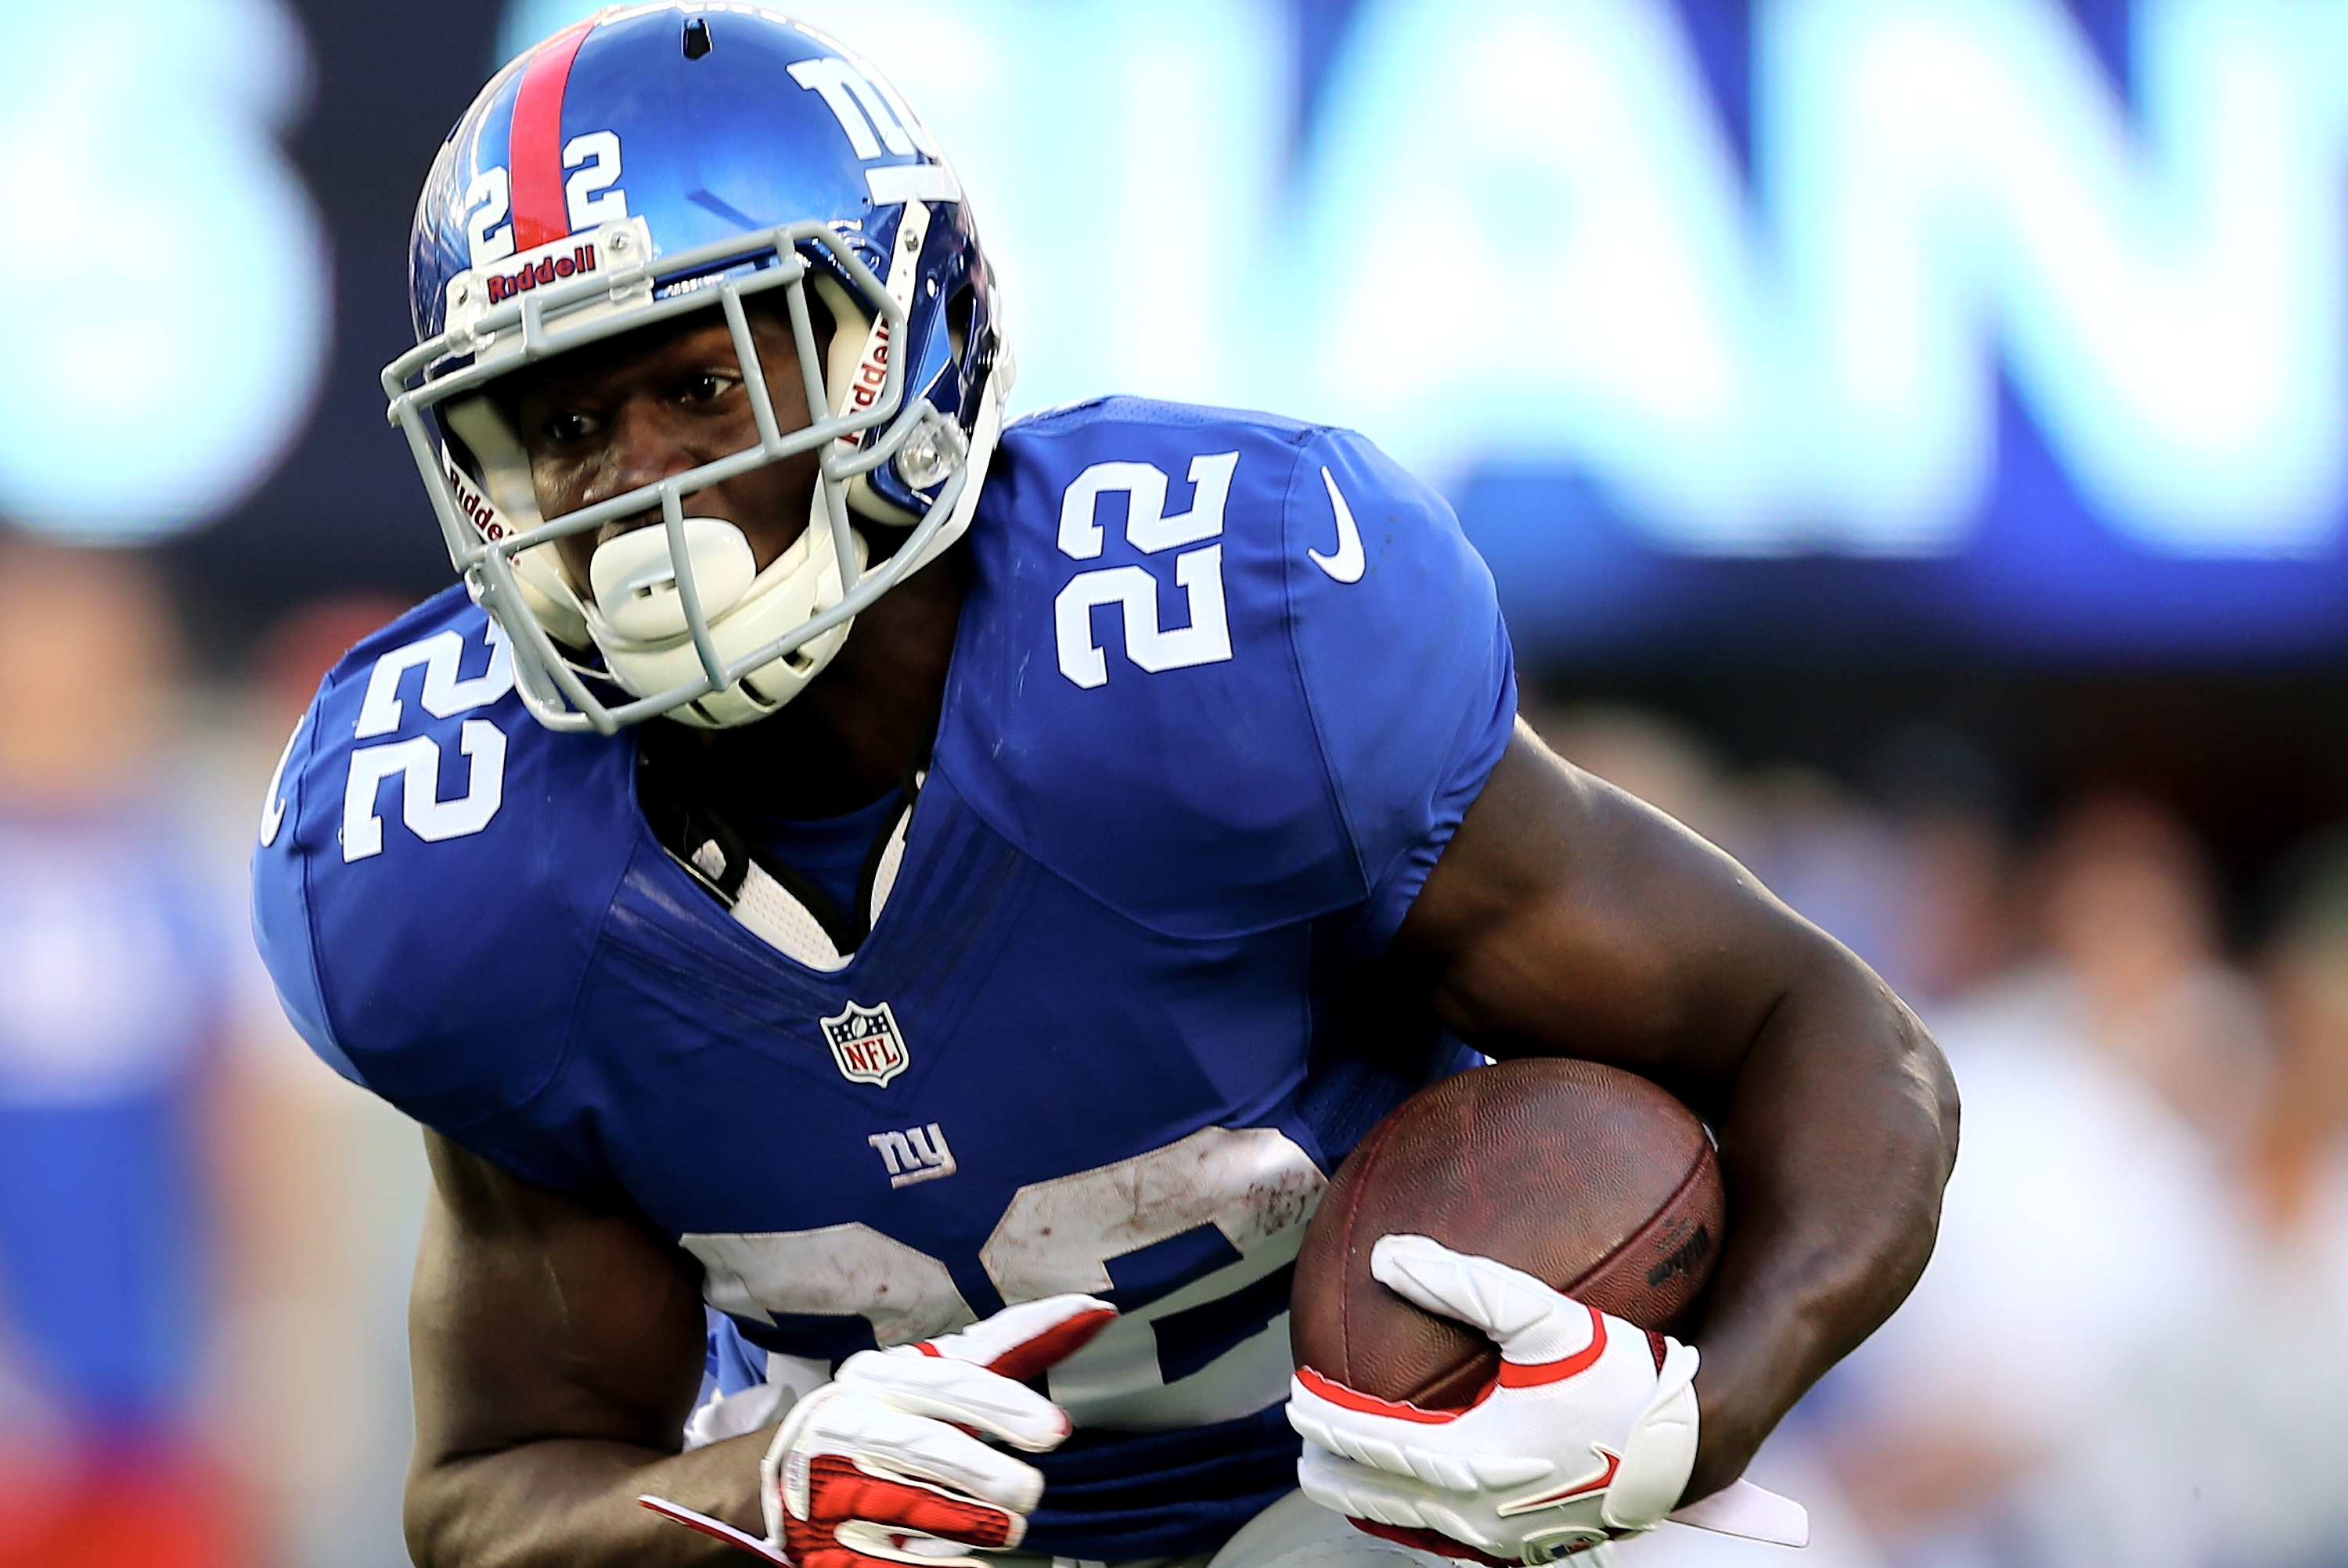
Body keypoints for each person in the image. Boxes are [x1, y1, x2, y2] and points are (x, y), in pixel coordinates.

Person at [251, 10, 1957, 1567]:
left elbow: (1831, 1040)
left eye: (704, 387)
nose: (634, 494)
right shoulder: (450, 863)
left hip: (1400, 1513)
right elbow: (494, 1484)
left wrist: (1692, 1414)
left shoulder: (1222, 648)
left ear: (894, 343)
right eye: (557, 429)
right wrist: (758, 1492)